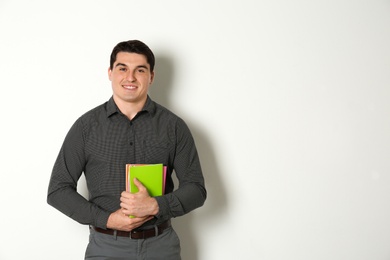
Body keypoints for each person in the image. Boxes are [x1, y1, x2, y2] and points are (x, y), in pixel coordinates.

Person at [47, 40, 207, 259]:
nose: (130, 77)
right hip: (106, 247)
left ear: (151, 76)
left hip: (161, 247)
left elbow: (196, 189)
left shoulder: (174, 127)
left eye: (140, 70)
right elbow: (58, 190)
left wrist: (155, 206)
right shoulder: (85, 127)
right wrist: (108, 219)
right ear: (110, 73)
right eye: (122, 68)